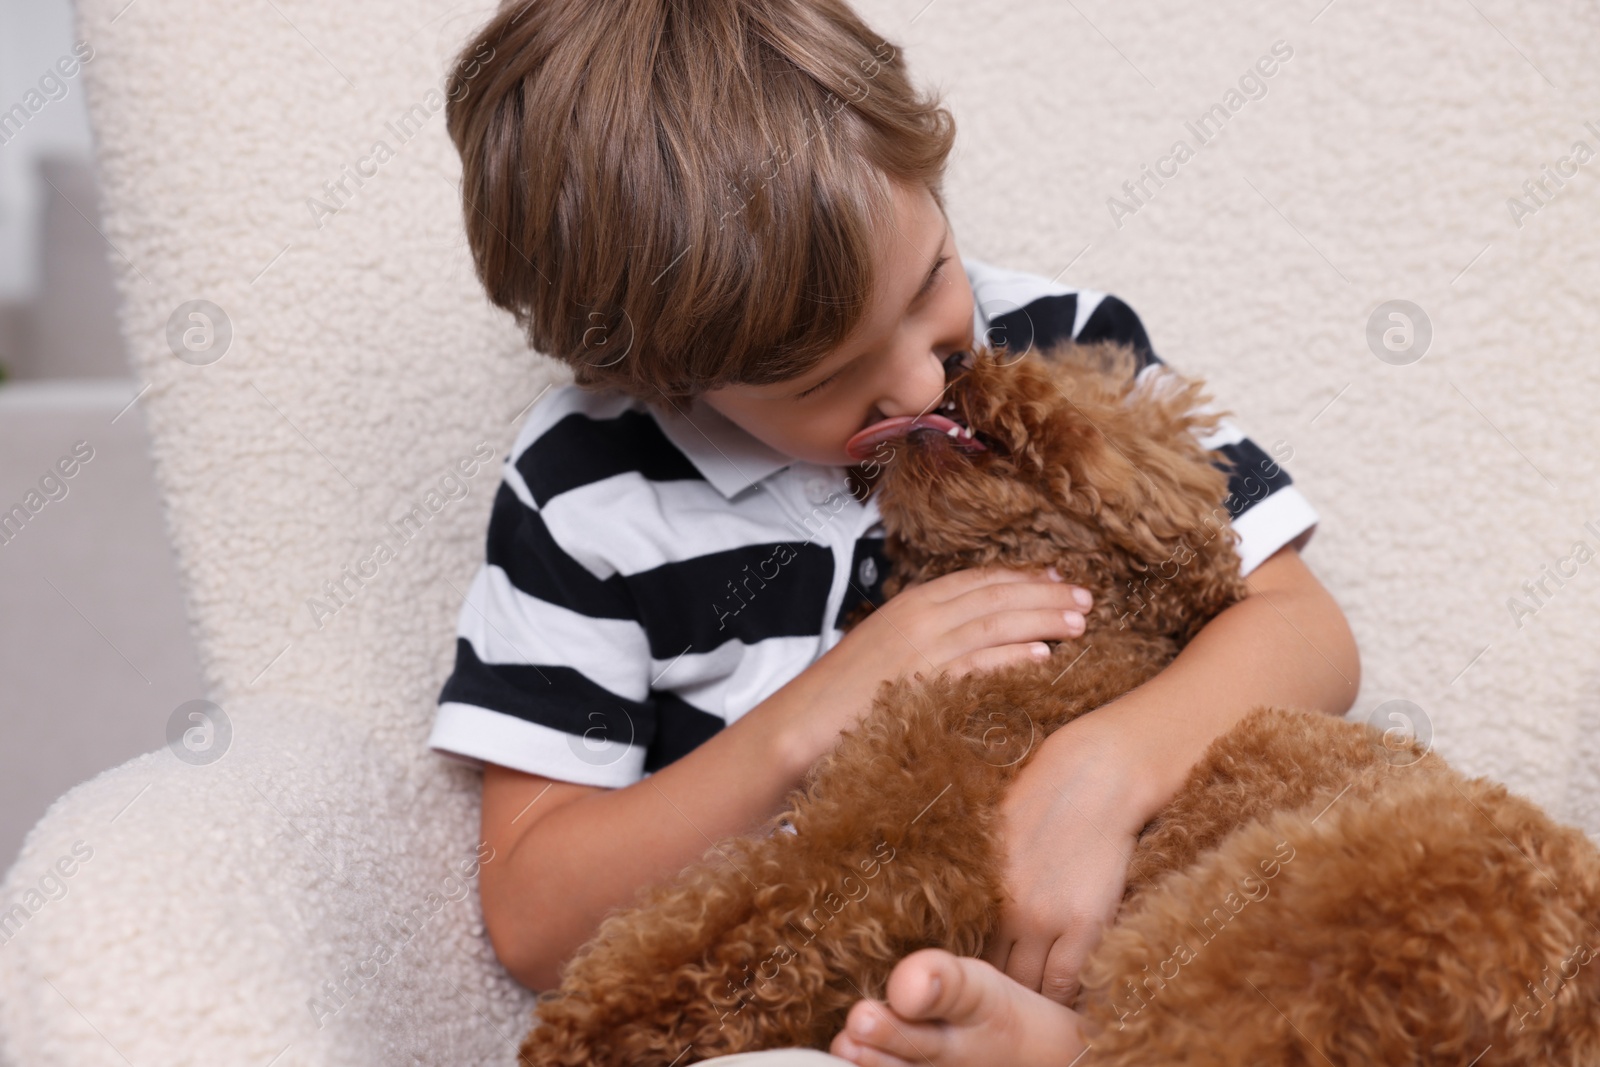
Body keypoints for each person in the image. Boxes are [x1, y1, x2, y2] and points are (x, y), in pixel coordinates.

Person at [427, 1, 1360, 1063]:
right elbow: (532, 910)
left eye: (932, 280)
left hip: (1113, 948)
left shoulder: (1068, 340)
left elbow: (1306, 630)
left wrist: (1104, 769)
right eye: (829, 380)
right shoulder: (583, 486)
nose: (927, 378)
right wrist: (804, 722)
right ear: (658, 376)